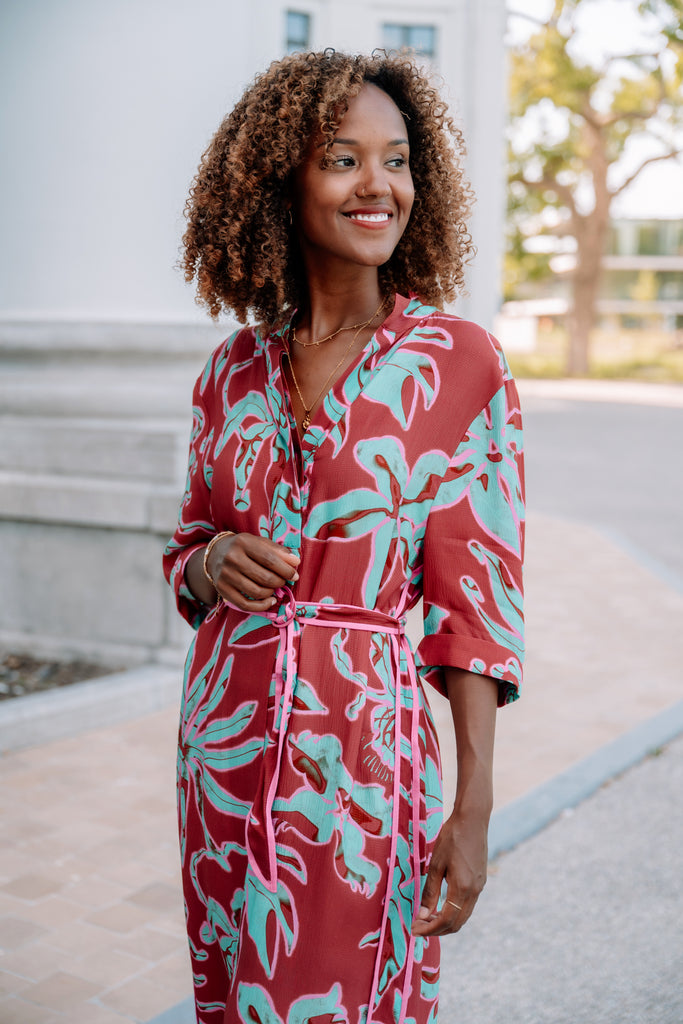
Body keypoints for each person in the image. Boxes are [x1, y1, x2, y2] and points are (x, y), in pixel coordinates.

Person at [163, 48, 524, 1024]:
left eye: (396, 160)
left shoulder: (458, 364)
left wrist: (473, 806)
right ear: (279, 179)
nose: (379, 185)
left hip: (358, 753)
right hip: (222, 743)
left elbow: (477, 605)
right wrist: (208, 562)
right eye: (342, 159)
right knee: (229, 993)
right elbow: (187, 548)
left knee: (345, 997)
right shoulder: (229, 370)